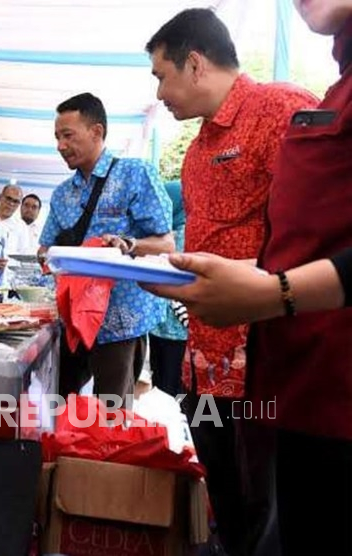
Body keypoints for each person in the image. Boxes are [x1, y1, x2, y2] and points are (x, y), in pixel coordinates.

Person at [147, 2, 352, 553]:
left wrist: (270, 288)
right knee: (227, 497)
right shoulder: (194, 153)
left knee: (271, 510)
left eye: (162, 76)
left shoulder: (281, 109)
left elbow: (316, 235)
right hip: (205, 360)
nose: (160, 94)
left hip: (264, 360)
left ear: (194, 64)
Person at [37, 92, 173, 405]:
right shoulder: (61, 195)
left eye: (68, 135)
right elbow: (46, 248)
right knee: (58, 404)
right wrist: (48, 256)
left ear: (96, 131)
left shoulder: (135, 174)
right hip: (72, 318)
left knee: (111, 413)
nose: (60, 145)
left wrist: (130, 245)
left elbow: (166, 243)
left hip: (121, 320)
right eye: (57, 137)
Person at [147, 181, 187, 397]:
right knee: (171, 388)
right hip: (172, 327)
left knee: (165, 386)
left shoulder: (180, 235)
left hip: (172, 325)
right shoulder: (172, 234)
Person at [0, 184, 34, 256]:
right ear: (0, 197)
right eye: (8, 199)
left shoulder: (21, 226)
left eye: (16, 201)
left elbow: (23, 254)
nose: (11, 204)